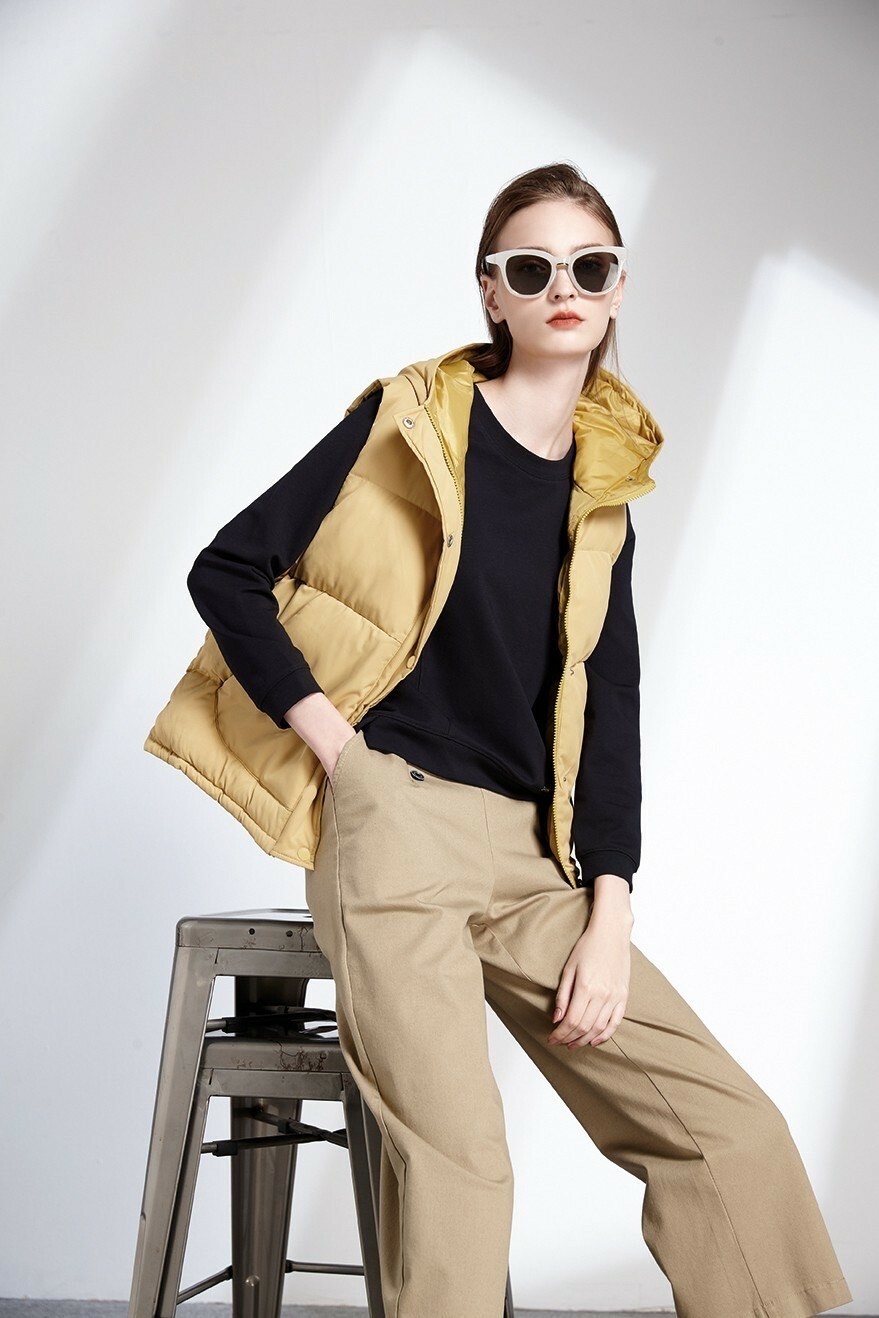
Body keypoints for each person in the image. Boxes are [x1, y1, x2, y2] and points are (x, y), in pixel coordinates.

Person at [146, 162, 853, 1318]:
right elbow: (229, 569)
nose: (563, 288)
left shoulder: (605, 487)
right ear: (493, 292)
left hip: (536, 861)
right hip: (395, 826)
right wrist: (340, 753)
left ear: (617, 289)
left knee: (730, 1131)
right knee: (464, 1168)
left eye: (590, 266)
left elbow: (611, 705)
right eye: (533, 268)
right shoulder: (408, 423)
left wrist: (611, 913)